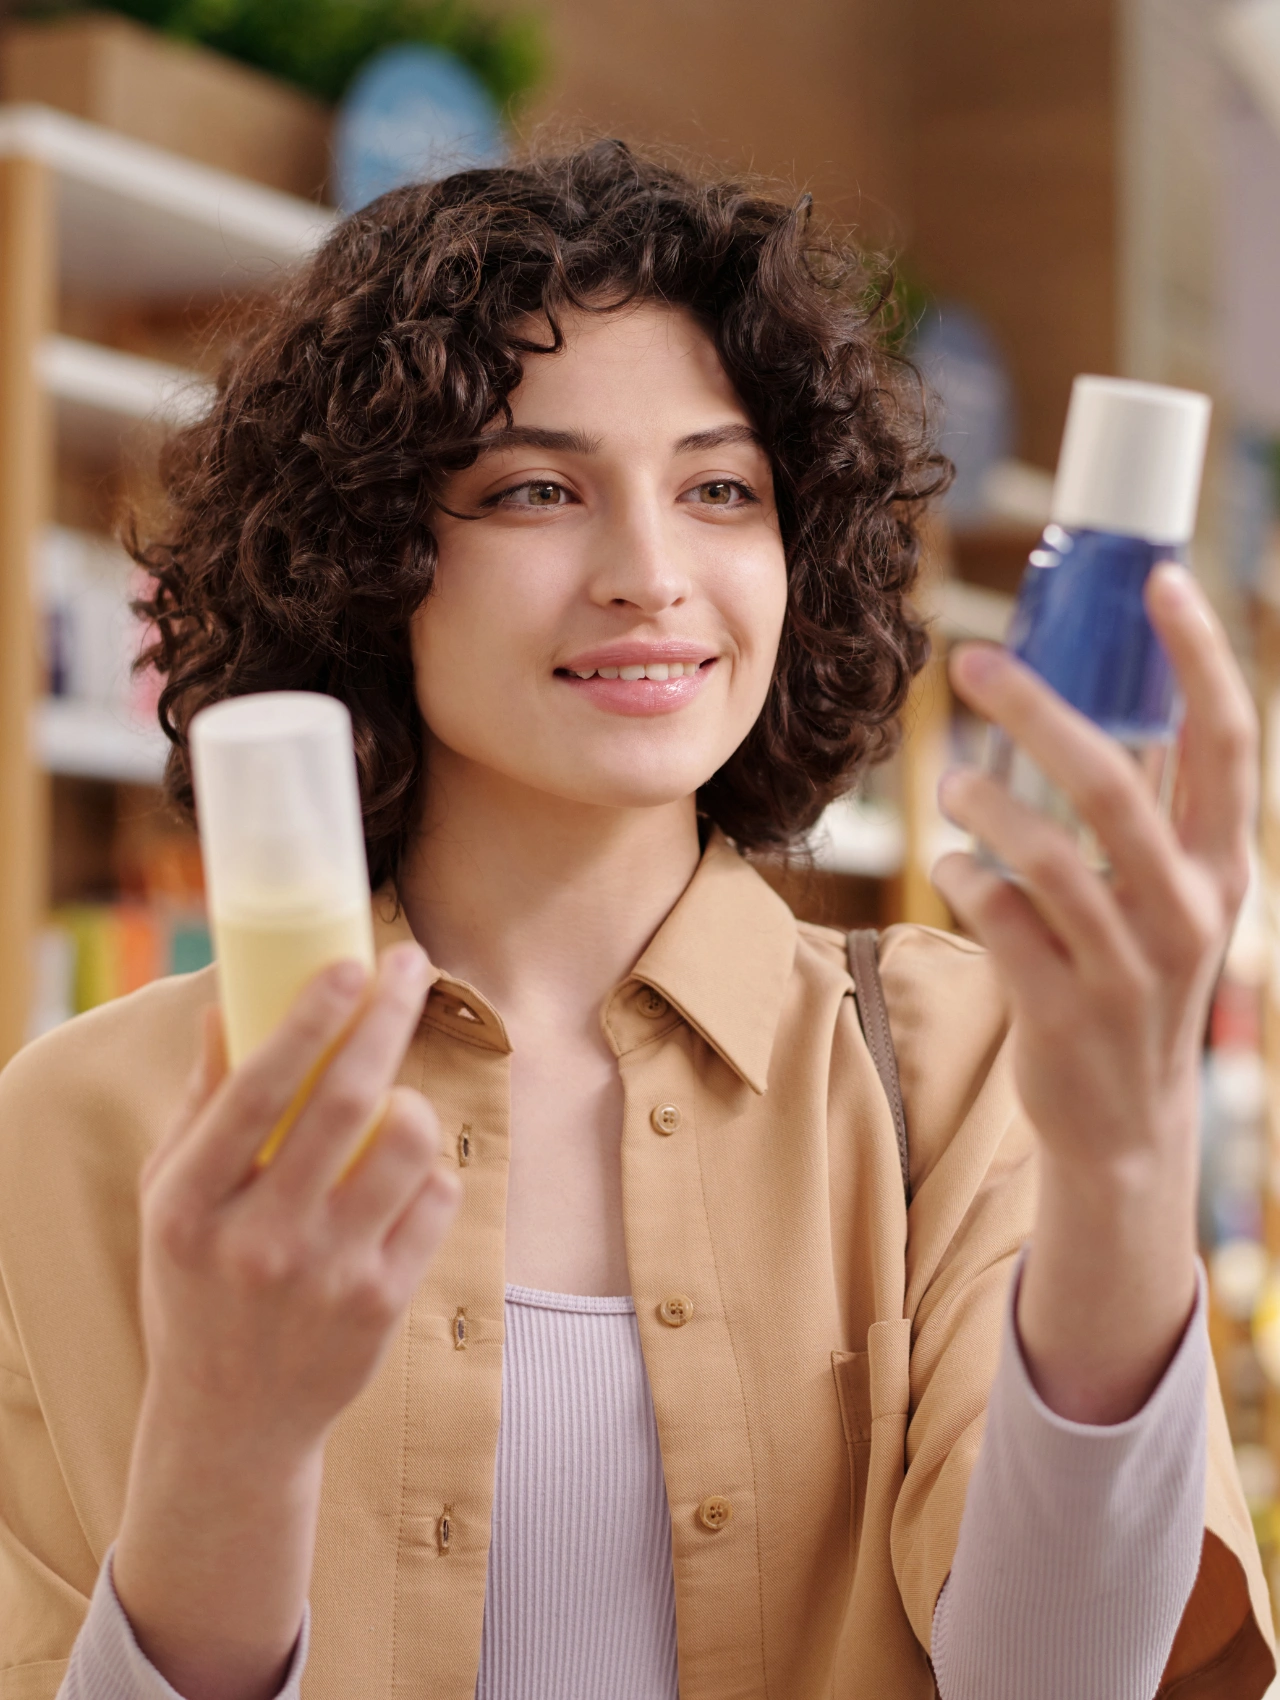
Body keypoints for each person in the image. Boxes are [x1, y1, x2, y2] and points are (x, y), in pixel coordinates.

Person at [0, 141, 1273, 1700]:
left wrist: (1129, 1166)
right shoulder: (81, 1130)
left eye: (722, 488)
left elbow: (1055, 1681)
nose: (654, 575)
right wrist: (230, 1446)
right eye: (538, 489)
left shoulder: (961, 1065)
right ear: (369, 552)